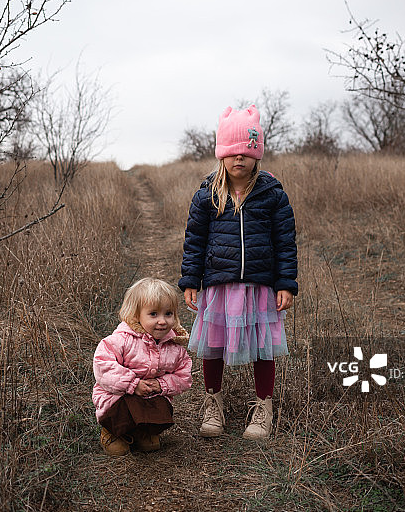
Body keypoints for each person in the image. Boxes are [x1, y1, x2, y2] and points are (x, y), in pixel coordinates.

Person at [179, 105, 298, 440]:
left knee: (262, 347)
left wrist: (286, 283)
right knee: (214, 345)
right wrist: (190, 280)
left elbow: (285, 241)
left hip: (260, 285)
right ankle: (213, 403)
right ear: (222, 154)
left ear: (256, 154)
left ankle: (263, 407)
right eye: (232, 152)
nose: (239, 158)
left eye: (246, 151)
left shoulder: (272, 194)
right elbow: (194, 240)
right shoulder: (207, 195)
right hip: (220, 284)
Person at [92, 278, 193, 456]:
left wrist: (162, 385)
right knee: (122, 407)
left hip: (151, 397)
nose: (162, 321)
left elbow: (184, 376)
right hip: (118, 397)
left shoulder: (174, 348)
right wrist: (133, 384)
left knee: (162, 406)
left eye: (168, 314)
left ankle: (142, 433)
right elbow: (103, 365)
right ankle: (112, 432)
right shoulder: (122, 340)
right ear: (136, 315)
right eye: (153, 314)